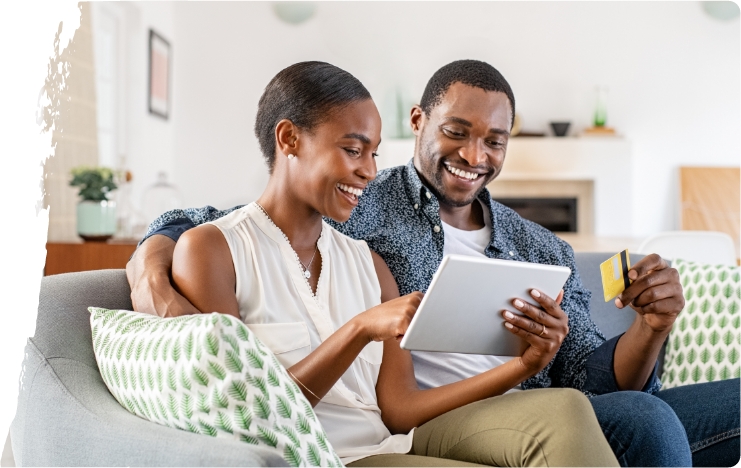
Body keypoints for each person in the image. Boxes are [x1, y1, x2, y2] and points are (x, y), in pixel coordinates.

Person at [128, 60, 740, 467]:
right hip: (439, 424)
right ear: (419, 123)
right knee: (646, 421)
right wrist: (154, 265)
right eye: (457, 131)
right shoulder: (367, 210)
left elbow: (588, 377)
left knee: (655, 410)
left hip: (534, 407)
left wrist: (650, 329)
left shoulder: (539, 247)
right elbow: (240, 218)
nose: (475, 155)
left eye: (494, 141)